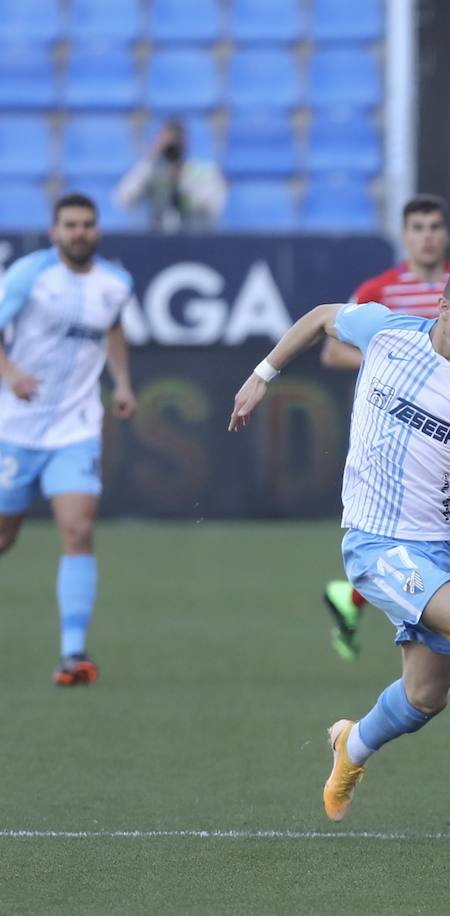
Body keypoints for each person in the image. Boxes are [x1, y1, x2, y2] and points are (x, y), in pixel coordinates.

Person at [227, 259, 450, 826]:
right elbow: (318, 319)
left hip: (440, 547)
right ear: (445, 308)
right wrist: (263, 373)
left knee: (425, 696)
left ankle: (351, 747)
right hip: (376, 543)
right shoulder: (385, 331)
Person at [320, 194, 450, 660]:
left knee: (434, 522)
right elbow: (333, 349)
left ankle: (353, 598)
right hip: (394, 427)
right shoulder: (381, 291)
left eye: (434, 227)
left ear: (446, 234)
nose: (427, 236)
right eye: (417, 227)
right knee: (400, 525)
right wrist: (395, 366)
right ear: (404, 236)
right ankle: (359, 593)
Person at [0, 193, 137, 686]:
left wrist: (121, 382)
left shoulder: (115, 282)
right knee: (4, 537)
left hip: (76, 429)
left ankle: (72, 654)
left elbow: (114, 329)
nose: (79, 232)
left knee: (78, 532)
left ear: (96, 230)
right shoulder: (29, 274)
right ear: (54, 231)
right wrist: (11, 371)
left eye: (87, 224)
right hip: (14, 428)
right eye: (70, 225)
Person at [115, 117, 226, 232]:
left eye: (178, 140)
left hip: (194, 241)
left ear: (186, 143)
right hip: (157, 242)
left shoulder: (204, 172)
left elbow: (214, 207)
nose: (174, 147)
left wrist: (181, 179)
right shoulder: (152, 172)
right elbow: (124, 199)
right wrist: (150, 160)